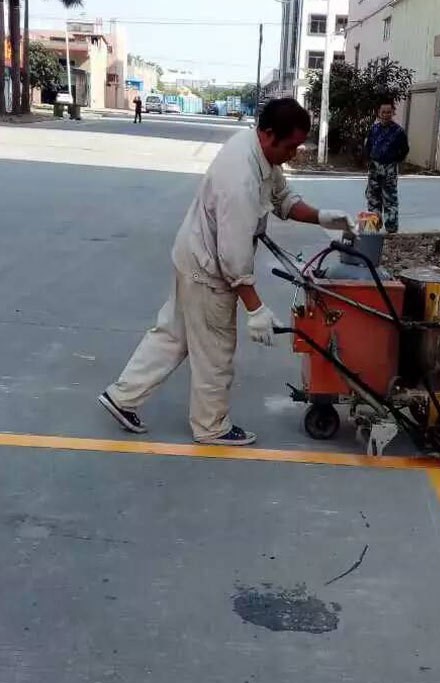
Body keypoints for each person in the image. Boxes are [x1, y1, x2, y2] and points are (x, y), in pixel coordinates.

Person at [98, 98, 355, 446]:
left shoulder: (258, 151)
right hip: (208, 270)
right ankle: (211, 426)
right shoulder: (241, 180)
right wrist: (256, 309)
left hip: (192, 255)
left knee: (173, 335)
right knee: (216, 350)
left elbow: (283, 199)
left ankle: (122, 396)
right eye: (291, 146)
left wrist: (322, 216)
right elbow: (233, 259)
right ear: (268, 135)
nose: (294, 154)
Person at [364, 99, 409, 234]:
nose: (386, 115)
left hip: (389, 169)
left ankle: (391, 229)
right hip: (374, 168)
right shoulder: (374, 129)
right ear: (379, 113)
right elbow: (368, 147)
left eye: (389, 112)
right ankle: (372, 229)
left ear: (392, 113)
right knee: (372, 198)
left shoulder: (398, 132)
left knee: (390, 200)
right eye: (383, 112)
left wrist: (395, 160)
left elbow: (405, 149)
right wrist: (369, 160)